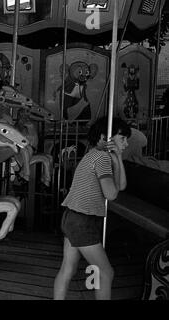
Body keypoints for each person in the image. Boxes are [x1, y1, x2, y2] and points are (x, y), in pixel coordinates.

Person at [54, 116, 131, 300]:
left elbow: (121, 186)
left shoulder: (95, 155)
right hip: (83, 221)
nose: (126, 144)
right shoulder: (102, 159)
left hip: (72, 217)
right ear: (106, 137)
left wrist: (118, 158)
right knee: (106, 272)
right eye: (123, 138)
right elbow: (112, 194)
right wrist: (115, 159)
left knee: (68, 269)